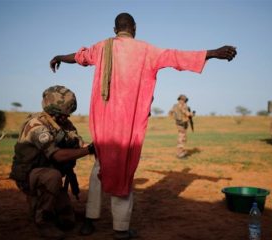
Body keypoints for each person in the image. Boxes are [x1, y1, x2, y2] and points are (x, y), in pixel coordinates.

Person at [49, 12, 237, 239]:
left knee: (100, 167)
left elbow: (79, 57)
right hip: (129, 125)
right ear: (134, 28)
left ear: (114, 29)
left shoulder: (102, 48)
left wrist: (59, 56)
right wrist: (213, 53)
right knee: (124, 172)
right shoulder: (147, 51)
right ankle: (121, 228)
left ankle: (90, 221)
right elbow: (177, 57)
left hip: (104, 125)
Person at [10, 85, 95, 240]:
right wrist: (89, 150)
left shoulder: (64, 124)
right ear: (53, 110)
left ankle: (52, 208)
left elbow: (79, 143)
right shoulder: (36, 125)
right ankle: (43, 221)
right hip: (31, 176)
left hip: (48, 174)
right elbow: (58, 156)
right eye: (64, 113)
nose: (67, 116)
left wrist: (96, 146)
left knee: (68, 222)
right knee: (53, 176)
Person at [170, 94, 194, 159]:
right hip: (182, 124)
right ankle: (180, 153)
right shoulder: (182, 106)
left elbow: (170, 113)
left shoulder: (175, 106)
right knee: (182, 138)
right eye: (184, 100)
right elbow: (187, 113)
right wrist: (192, 114)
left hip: (178, 123)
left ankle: (180, 152)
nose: (184, 101)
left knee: (182, 137)